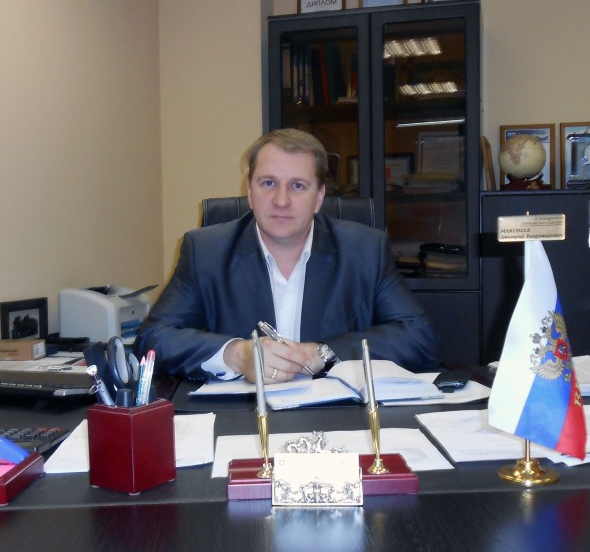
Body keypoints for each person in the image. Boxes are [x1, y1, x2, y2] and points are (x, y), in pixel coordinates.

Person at [134, 128, 439, 382]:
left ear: (319, 197)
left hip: (338, 418)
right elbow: (153, 339)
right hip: (241, 417)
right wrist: (236, 355)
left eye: (298, 186)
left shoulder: (365, 250)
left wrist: (322, 353)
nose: (281, 201)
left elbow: (418, 338)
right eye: (268, 183)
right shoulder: (205, 251)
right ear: (250, 193)